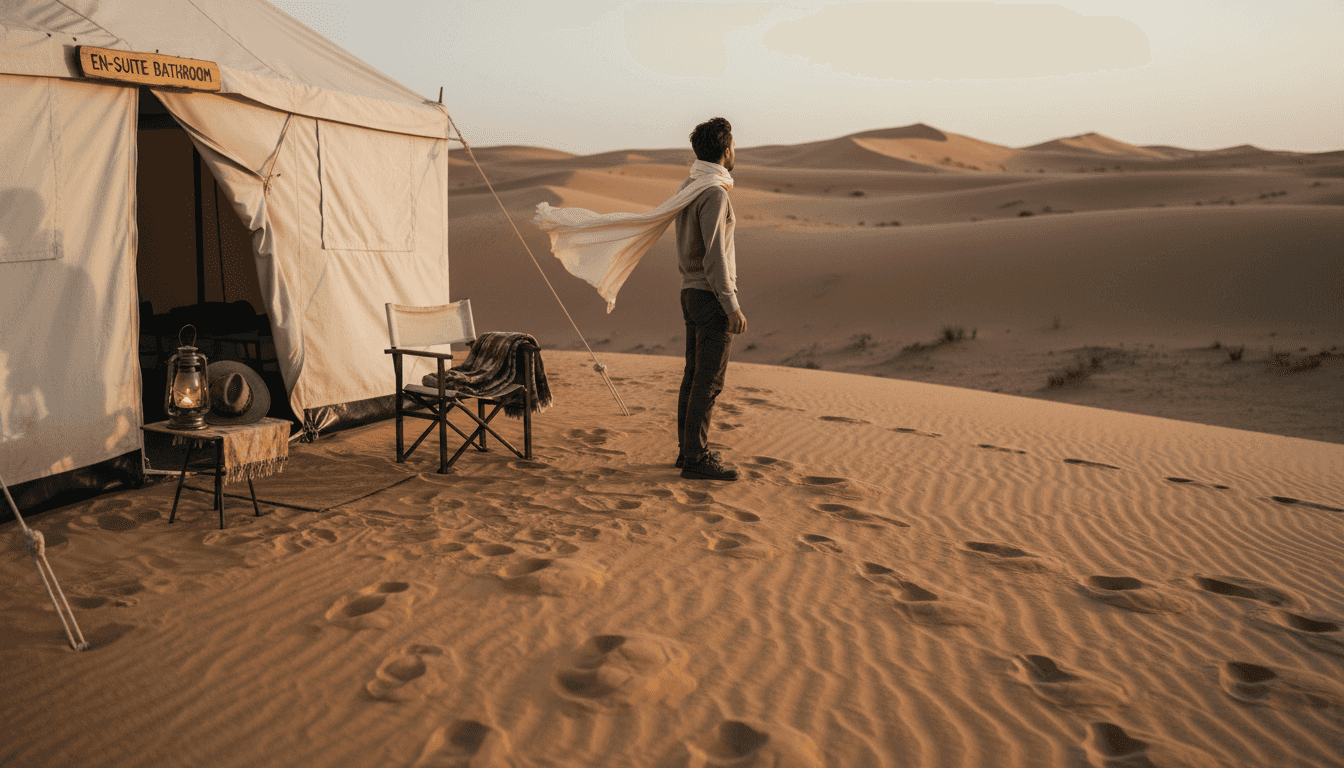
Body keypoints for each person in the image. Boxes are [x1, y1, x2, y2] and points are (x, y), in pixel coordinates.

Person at [676, 118, 747, 481]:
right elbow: (716, 254)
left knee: (693, 376)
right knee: (709, 381)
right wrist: (730, 304)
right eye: (733, 146)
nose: (736, 152)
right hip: (709, 296)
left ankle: (687, 451)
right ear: (725, 150)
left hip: (690, 292)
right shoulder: (715, 193)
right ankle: (696, 459)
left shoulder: (690, 186)